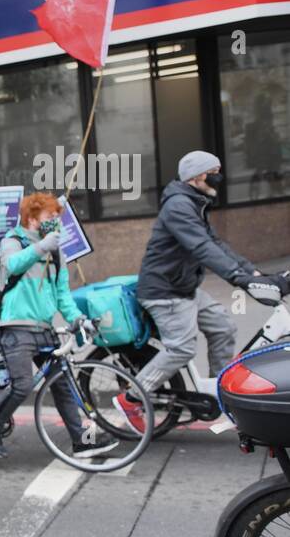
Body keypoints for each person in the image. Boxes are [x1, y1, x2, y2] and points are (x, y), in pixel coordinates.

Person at [116, 151, 287, 431]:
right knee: (182, 346)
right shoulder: (178, 207)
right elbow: (201, 247)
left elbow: (215, 243)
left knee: (223, 327)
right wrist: (238, 279)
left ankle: (221, 389)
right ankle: (132, 398)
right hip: (164, 291)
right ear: (197, 176)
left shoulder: (194, 203)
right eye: (213, 171)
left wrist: (251, 272)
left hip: (183, 287)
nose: (218, 177)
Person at [0, 193, 118, 460]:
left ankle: (80, 441)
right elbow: (12, 265)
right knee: (21, 386)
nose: (55, 221)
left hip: (44, 328)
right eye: (49, 217)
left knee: (62, 384)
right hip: (14, 327)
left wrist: (77, 319)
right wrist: (42, 246)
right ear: (32, 219)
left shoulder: (57, 252)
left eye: (58, 217)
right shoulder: (13, 241)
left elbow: (62, 296)